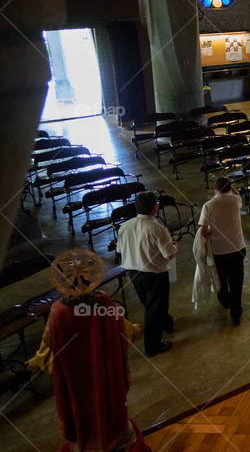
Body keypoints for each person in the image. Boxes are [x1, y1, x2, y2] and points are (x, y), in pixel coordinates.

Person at [28, 249, 150, 452]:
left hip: (75, 378)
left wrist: (38, 359)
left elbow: (49, 347)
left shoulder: (58, 312)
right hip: (105, 371)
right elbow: (122, 328)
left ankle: (88, 441)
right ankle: (114, 435)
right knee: (108, 401)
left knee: (81, 408)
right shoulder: (103, 302)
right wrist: (134, 329)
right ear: (89, 278)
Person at [117, 191, 177, 356]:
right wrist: (174, 246)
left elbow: (120, 250)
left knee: (152, 304)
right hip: (154, 275)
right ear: (155, 208)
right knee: (154, 309)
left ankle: (167, 323)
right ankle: (153, 346)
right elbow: (169, 254)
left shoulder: (125, 226)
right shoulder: (157, 228)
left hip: (133, 272)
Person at [199, 176, 246, 325]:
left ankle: (225, 301)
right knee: (237, 282)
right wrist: (230, 186)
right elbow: (236, 193)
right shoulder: (235, 201)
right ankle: (236, 313)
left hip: (219, 252)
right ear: (229, 188)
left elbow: (204, 231)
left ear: (214, 189)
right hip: (237, 248)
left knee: (221, 279)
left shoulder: (208, 205)